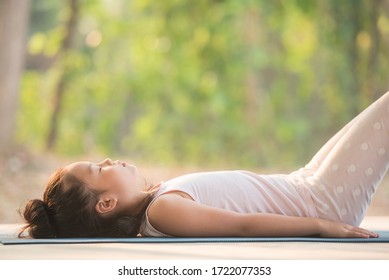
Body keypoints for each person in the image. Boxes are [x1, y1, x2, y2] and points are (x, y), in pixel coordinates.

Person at [20, 91, 389, 239]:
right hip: (320, 201)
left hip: (305, 183)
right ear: (106, 204)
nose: (106, 160)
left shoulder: (159, 201)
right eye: (98, 169)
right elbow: (244, 225)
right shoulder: (164, 210)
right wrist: (323, 226)